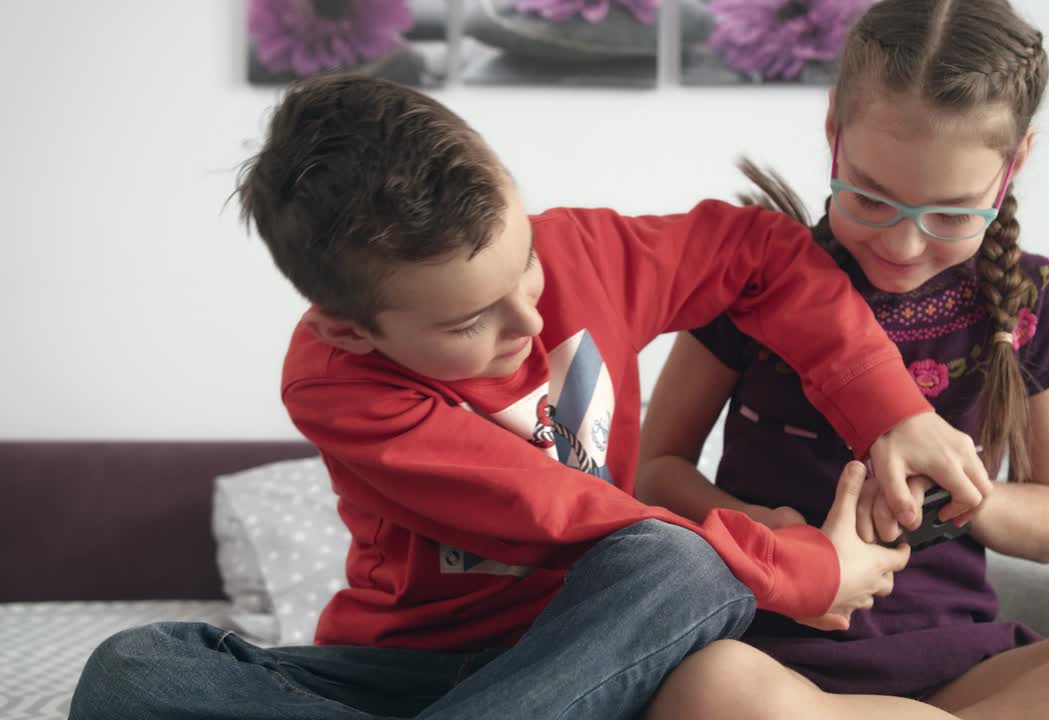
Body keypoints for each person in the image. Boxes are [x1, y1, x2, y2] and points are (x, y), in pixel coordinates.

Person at [67, 73, 991, 720]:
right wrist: (808, 570)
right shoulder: (336, 380)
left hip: (610, 656)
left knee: (676, 565)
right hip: (403, 672)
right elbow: (563, 511)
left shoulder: (584, 253)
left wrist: (894, 410)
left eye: (528, 270)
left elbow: (764, 255)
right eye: (473, 319)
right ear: (351, 328)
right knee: (133, 673)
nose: (530, 317)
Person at [638, 1, 1049, 718]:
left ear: (1016, 164)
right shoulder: (749, 279)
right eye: (873, 199)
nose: (905, 246)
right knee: (715, 690)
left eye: (949, 214)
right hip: (776, 665)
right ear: (833, 131)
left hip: (967, 671)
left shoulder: (1035, 298)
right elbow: (652, 468)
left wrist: (968, 497)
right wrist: (762, 532)